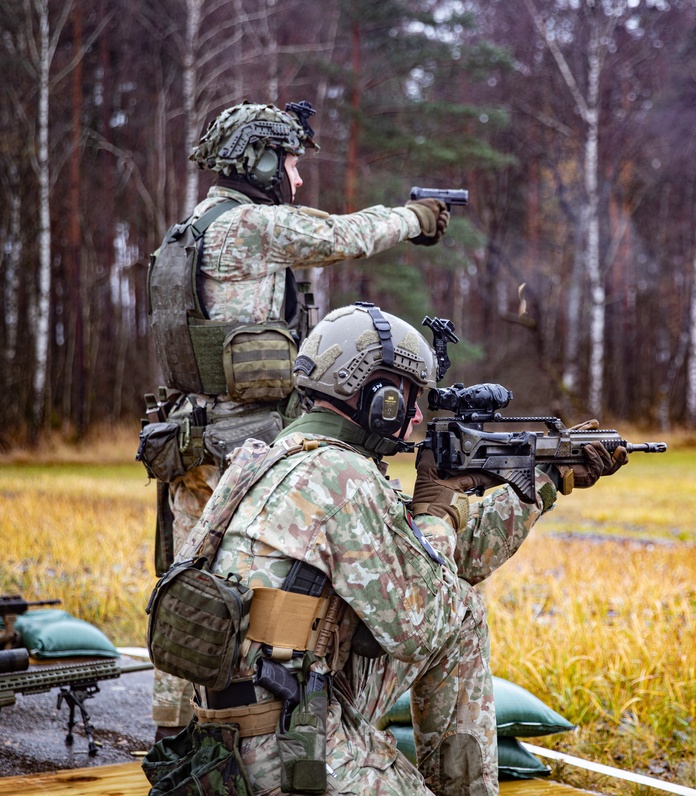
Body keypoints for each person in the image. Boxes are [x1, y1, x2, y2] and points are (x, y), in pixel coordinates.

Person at [157, 302, 628, 796]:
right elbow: (424, 622)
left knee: (460, 611)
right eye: (410, 397)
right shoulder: (344, 480)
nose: (419, 413)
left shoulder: (268, 458)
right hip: (287, 754)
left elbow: (444, 557)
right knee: (457, 610)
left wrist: (545, 480)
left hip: (240, 730)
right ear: (376, 394)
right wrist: (437, 507)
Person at [143, 100, 451, 739]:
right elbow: (342, 237)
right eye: (290, 162)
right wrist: (414, 218)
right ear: (256, 162)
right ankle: (284, 737)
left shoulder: (188, 230)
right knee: (271, 602)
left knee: (192, 592)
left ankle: (177, 743)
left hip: (190, 439)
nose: (298, 179)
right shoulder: (249, 226)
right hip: (243, 442)